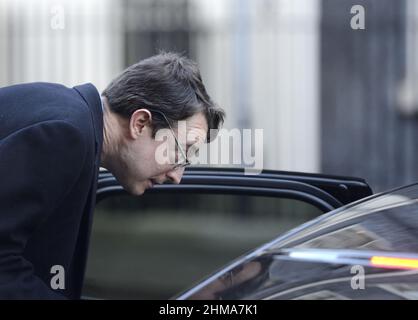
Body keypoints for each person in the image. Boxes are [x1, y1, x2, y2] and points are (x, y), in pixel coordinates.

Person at [0, 52, 225, 299]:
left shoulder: (71, 118)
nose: (177, 175)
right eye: (180, 151)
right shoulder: (67, 136)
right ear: (140, 123)